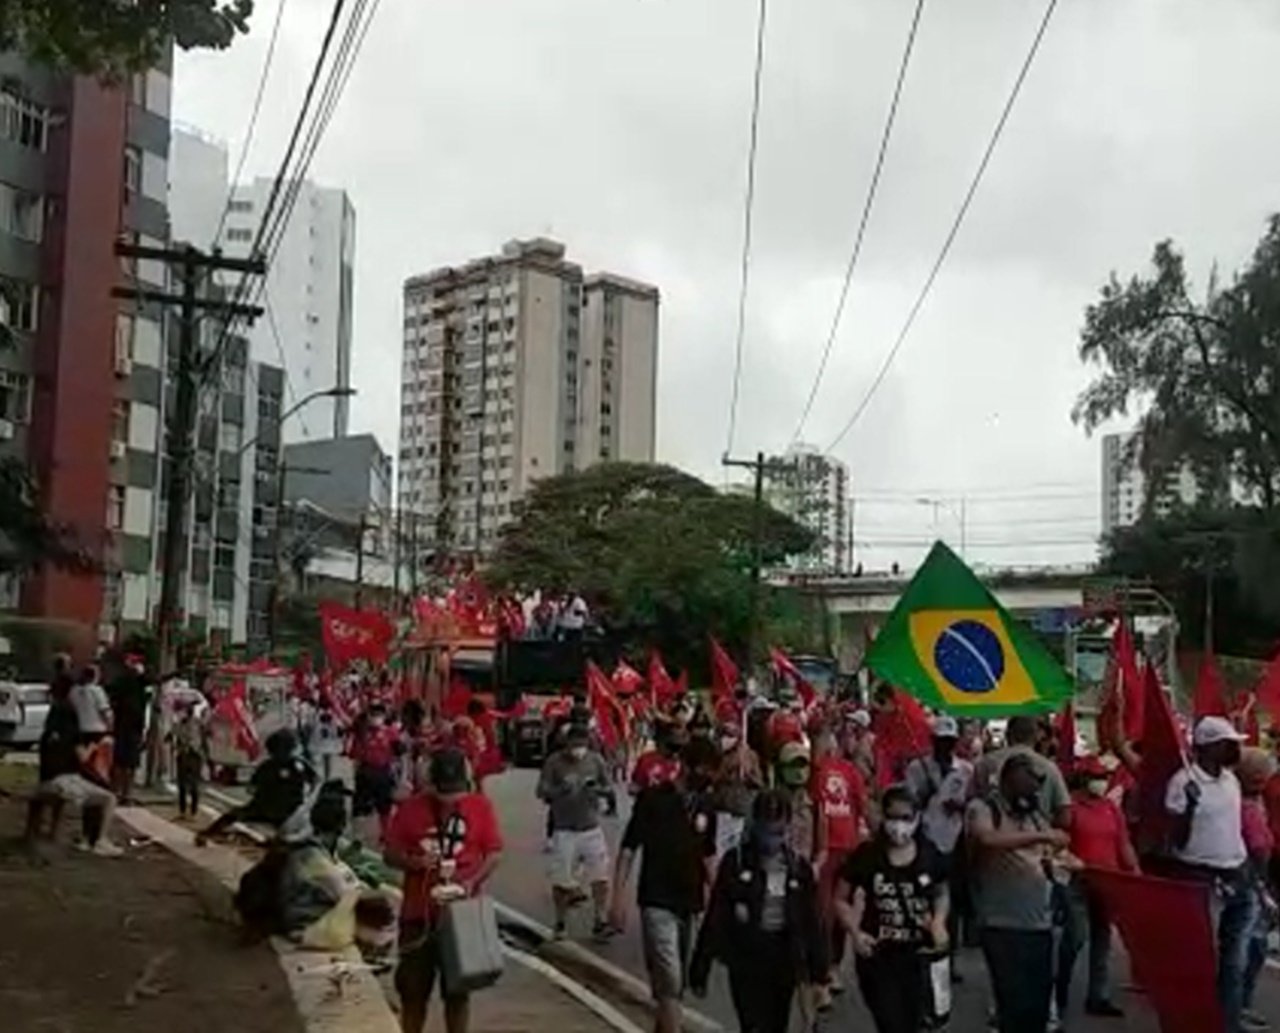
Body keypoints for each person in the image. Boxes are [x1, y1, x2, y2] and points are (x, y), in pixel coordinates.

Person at [689, 789, 827, 1033]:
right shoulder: (736, 862)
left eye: (778, 831)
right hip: (746, 958)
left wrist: (819, 972)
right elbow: (716, 914)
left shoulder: (798, 868)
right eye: (767, 829)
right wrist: (701, 965)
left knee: (776, 1023)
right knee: (752, 1024)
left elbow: (811, 921)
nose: (772, 838)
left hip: (782, 957)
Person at [385, 748, 503, 1033]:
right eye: (444, 794)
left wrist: (472, 882)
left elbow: (494, 852)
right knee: (413, 993)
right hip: (418, 917)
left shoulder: (480, 807)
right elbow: (390, 854)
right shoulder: (410, 810)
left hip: (462, 916)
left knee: (458, 994)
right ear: (430, 783)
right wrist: (414, 862)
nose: (451, 801)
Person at [610, 739, 719, 1033]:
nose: (706, 777)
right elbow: (629, 848)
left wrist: (717, 897)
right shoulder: (653, 799)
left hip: (689, 902)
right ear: (685, 765)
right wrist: (617, 897)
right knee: (669, 981)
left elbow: (708, 854)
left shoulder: (706, 805)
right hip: (656, 900)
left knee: (675, 985)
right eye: (702, 769)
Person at [967, 752, 1071, 1033]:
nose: (1032, 792)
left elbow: (1051, 851)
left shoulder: (1034, 815)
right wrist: (1041, 837)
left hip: (1038, 922)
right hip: (1001, 922)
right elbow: (987, 839)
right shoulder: (984, 808)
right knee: (1011, 1004)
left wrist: (1060, 856)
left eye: (1036, 786)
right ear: (1008, 782)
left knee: (1036, 1007)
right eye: (1026, 784)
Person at [834, 785, 949, 1033]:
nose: (899, 826)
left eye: (906, 818)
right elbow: (841, 898)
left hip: (919, 957)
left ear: (917, 818)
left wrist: (939, 922)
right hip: (879, 956)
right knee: (890, 1022)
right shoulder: (867, 856)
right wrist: (855, 932)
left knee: (918, 1023)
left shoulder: (929, 855)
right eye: (893, 817)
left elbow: (941, 892)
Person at [1165, 717, 1254, 1033]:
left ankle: (1227, 1024)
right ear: (1208, 746)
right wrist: (1189, 806)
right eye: (1227, 743)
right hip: (1201, 877)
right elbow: (1177, 840)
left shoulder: (1231, 780)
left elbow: (1235, 827)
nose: (1234, 748)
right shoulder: (1182, 782)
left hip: (1237, 875)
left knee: (1235, 960)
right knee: (1203, 961)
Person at [1058, 755, 1137, 1021]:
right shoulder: (1070, 808)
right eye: (1095, 777)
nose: (1100, 782)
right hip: (1078, 881)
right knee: (1076, 937)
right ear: (1083, 779)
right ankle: (1060, 990)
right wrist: (1069, 861)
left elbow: (1123, 844)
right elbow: (1058, 843)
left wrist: (1134, 874)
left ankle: (1098, 996)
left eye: (1103, 777)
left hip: (1108, 880)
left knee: (1102, 939)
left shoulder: (1111, 809)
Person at [904, 714, 974, 969]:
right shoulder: (917, 767)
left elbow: (974, 804)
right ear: (933, 741)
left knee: (951, 903)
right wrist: (924, 794)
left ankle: (948, 957)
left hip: (954, 843)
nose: (945, 746)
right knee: (924, 897)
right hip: (925, 840)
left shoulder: (966, 770)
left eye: (949, 741)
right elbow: (908, 803)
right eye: (940, 741)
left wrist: (961, 805)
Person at [24, 685, 123, 856]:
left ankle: (83, 838)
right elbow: (83, 758)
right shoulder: (72, 732)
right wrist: (94, 746)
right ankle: (101, 840)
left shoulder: (47, 734)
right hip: (65, 780)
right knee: (109, 799)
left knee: (89, 795)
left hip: (47, 779)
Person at [537, 722, 614, 940]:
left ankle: (600, 919)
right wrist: (560, 789)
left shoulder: (595, 760)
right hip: (564, 829)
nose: (578, 750)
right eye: (574, 745)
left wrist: (596, 789)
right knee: (561, 879)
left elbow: (609, 789)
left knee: (600, 876)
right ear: (567, 744)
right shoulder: (554, 762)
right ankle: (560, 921)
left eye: (582, 745)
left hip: (590, 827)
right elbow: (541, 791)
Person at [810, 725, 868, 997]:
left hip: (832, 850)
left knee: (828, 912)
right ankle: (827, 969)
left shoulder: (822, 773)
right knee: (832, 910)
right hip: (842, 848)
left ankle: (828, 969)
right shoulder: (845, 771)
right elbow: (863, 808)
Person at [197, 728, 315, 845]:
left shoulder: (266, 767)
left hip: (262, 809)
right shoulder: (300, 765)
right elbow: (314, 779)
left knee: (233, 815)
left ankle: (207, 834)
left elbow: (252, 788)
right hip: (290, 811)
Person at [1236, 747, 1275, 1032]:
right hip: (1247, 881)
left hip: (1258, 881)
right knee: (1247, 947)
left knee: (1256, 946)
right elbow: (1257, 848)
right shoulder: (1241, 805)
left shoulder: (1256, 802)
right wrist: (1262, 887)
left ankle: (1242, 1004)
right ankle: (1235, 1008)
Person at [975, 713, 1071, 827]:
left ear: (1007, 735)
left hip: (992, 834)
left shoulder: (985, 763)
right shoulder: (1050, 768)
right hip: (1036, 840)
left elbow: (972, 801)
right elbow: (1065, 817)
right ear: (1036, 737)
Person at [106, 654, 149, 802]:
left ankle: (124, 793)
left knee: (128, 763)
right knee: (123, 763)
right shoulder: (123, 681)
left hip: (131, 727)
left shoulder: (139, 683)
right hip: (125, 727)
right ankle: (120, 792)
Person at [168, 700, 208, 820]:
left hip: (194, 755)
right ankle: (183, 810)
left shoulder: (199, 723)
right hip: (183, 754)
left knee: (194, 785)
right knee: (182, 785)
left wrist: (205, 753)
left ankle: (193, 811)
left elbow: (205, 737)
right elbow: (172, 736)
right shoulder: (180, 723)